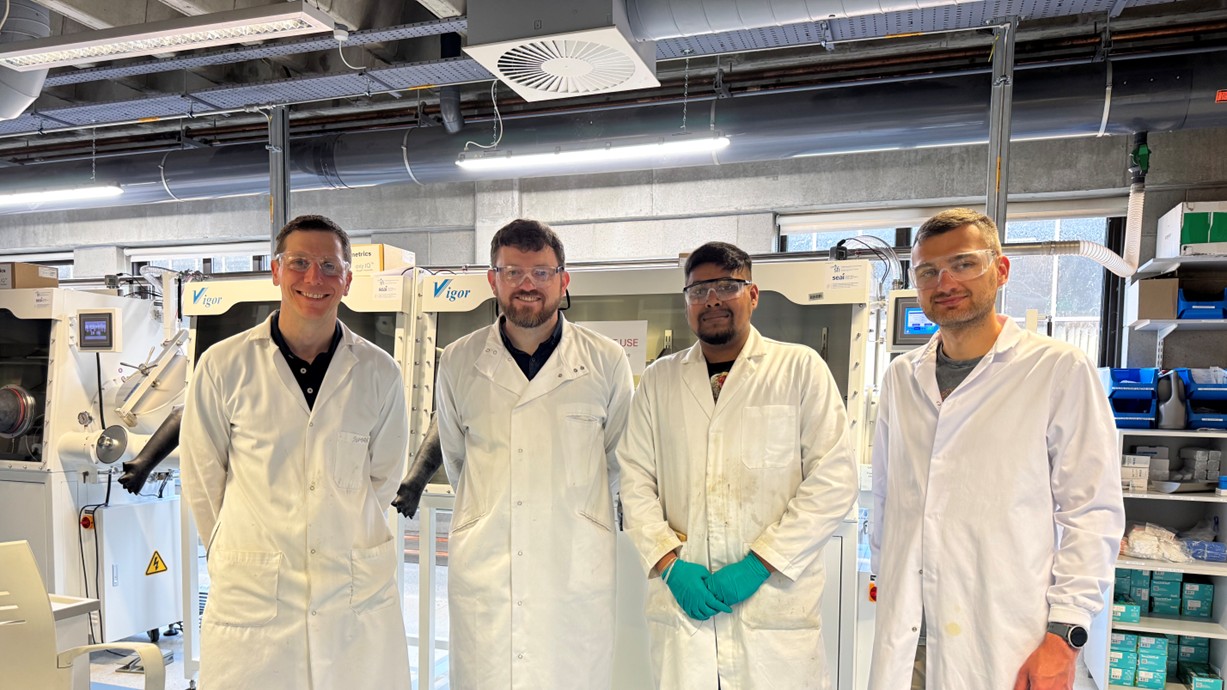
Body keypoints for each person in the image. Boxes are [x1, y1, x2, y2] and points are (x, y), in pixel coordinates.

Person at [868, 208, 1125, 690]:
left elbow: (1092, 512)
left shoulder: (1057, 370)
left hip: (1004, 637)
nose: (944, 281)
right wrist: (882, 572)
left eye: (963, 263)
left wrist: (1066, 635)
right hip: (908, 635)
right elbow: (887, 494)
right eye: (928, 271)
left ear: (1000, 270)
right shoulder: (901, 377)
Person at [181, 214, 410, 689]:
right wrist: (235, 550)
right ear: (276, 271)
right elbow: (203, 481)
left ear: (347, 279)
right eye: (300, 263)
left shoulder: (379, 372)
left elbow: (383, 479)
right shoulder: (223, 366)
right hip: (255, 594)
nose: (314, 278)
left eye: (329, 266)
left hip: (351, 594)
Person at [618, 241, 858, 690]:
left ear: (752, 294)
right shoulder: (659, 381)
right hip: (685, 609)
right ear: (687, 302)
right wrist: (669, 564)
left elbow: (834, 480)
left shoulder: (799, 369)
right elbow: (635, 481)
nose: (711, 299)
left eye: (727, 286)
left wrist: (759, 565)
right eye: (698, 290)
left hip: (771, 610)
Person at [435, 218, 634, 690]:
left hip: (575, 565)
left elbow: (619, 459)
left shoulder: (605, 360)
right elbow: (456, 459)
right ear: (493, 279)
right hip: (488, 567)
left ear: (564, 279)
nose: (528, 285)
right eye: (513, 272)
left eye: (542, 273)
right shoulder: (459, 360)